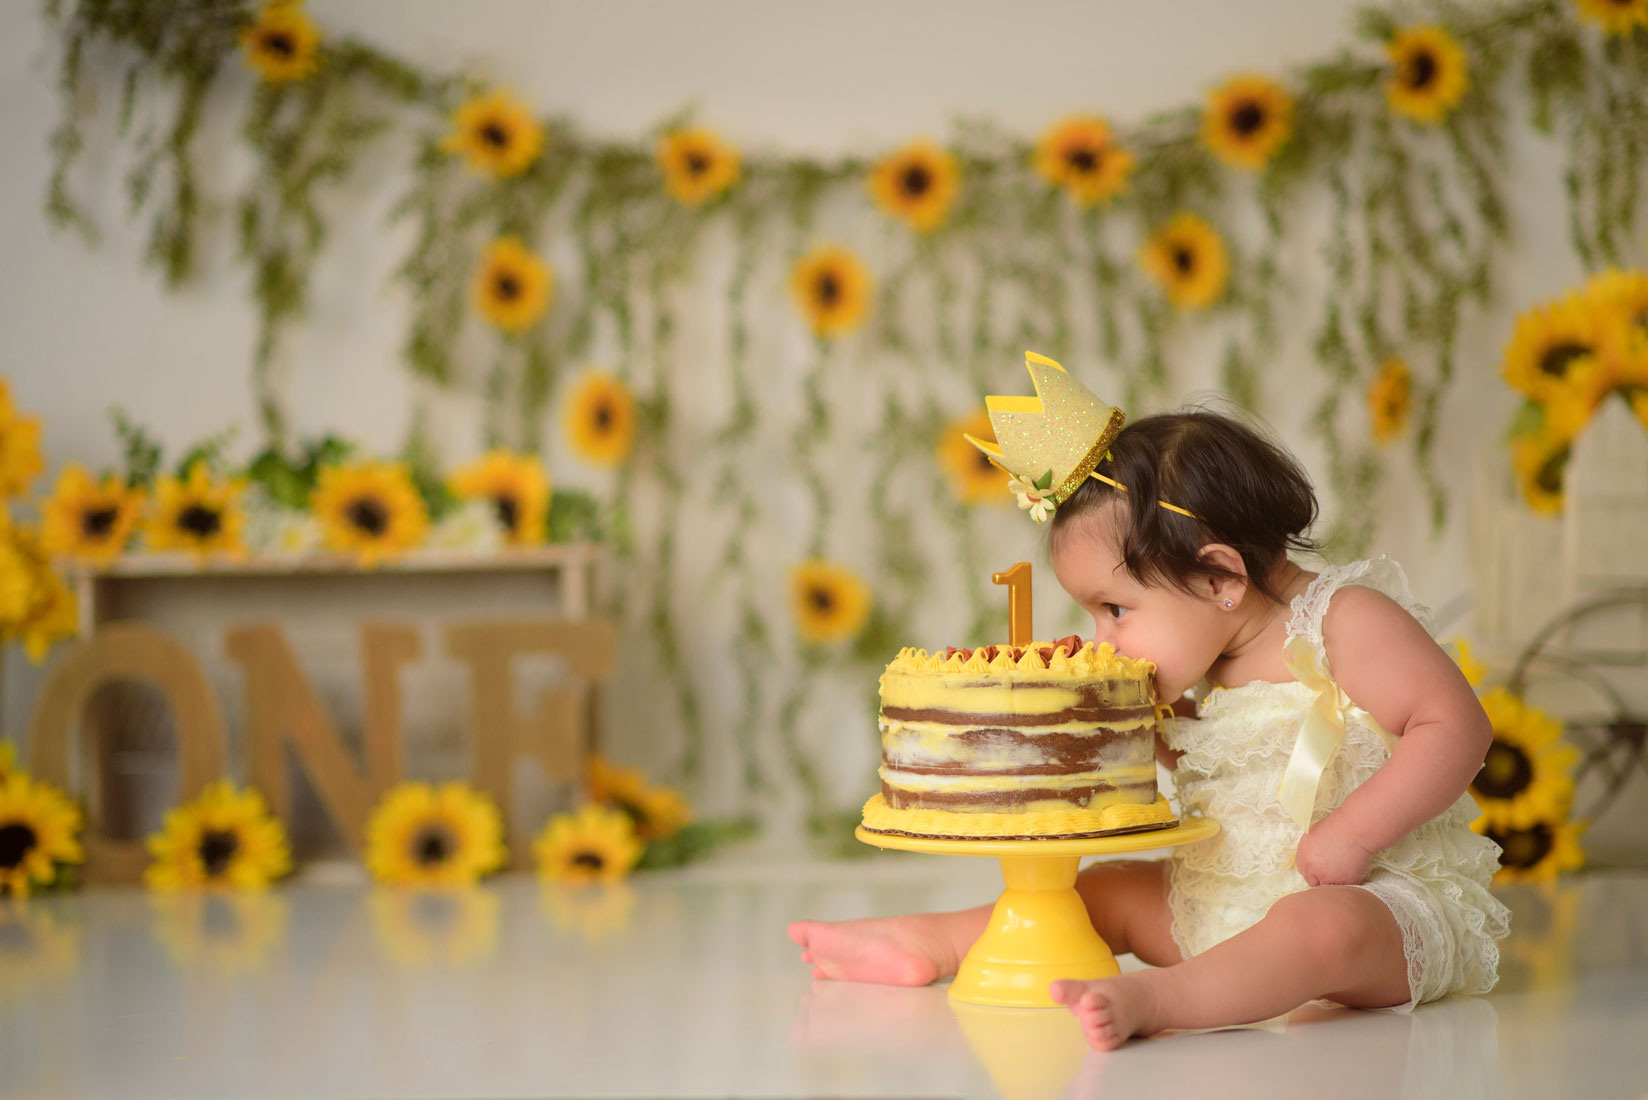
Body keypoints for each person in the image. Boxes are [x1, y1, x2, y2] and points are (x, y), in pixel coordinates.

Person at [787, 403, 1510, 1052]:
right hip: (1226, 904)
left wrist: (1354, 832)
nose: (1101, 637)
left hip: (1384, 908)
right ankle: (932, 942)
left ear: (1219, 578)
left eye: (1115, 610)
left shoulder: (1343, 622)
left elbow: (1455, 725)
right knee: (1096, 895)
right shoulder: (1211, 655)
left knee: (1318, 928)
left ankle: (1159, 1001)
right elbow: (1227, 764)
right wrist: (1149, 727)